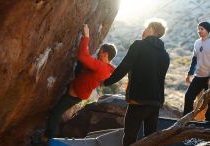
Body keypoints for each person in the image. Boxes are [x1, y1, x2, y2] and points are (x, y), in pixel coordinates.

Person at [101, 18, 169, 146]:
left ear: (152, 30)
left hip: (139, 100)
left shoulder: (139, 45)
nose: (143, 31)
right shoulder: (165, 55)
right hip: (155, 102)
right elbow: (161, 79)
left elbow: (124, 67)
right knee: (151, 139)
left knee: (129, 137)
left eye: (146, 28)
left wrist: (106, 82)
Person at [45, 24, 117, 139]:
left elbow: (82, 56)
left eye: (100, 52)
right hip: (78, 91)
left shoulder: (101, 67)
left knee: (55, 114)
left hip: (73, 95)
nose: (98, 54)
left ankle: (49, 138)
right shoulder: (108, 68)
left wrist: (86, 36)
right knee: (84, 64)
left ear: (105, 54)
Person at [183, 21, 210, 121]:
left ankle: (208, 121)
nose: (199, 31)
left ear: (207, 30)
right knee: (188, 96)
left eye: (202, 29)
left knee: (209, 100)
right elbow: (194, 59)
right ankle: (186, 119)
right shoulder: (197, 42)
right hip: (198, 76)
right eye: (198, 29)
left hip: (208, 77)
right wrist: (190, 73)